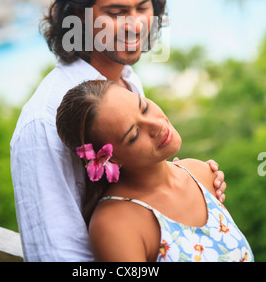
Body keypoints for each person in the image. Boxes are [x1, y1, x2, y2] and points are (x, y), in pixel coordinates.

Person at [10, 0, 226, 262]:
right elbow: (58, 255)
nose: (135, 25)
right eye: (116, 12)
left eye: (142, 7)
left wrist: (188, 189)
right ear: (79, 19)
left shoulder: (126, 79)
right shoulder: (44, 122)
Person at [56, 79, 254, 263]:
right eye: (134, 134)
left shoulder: (201, 173)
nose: (157, 125)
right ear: (109, 159)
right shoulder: (115, 226)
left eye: (145, 107)